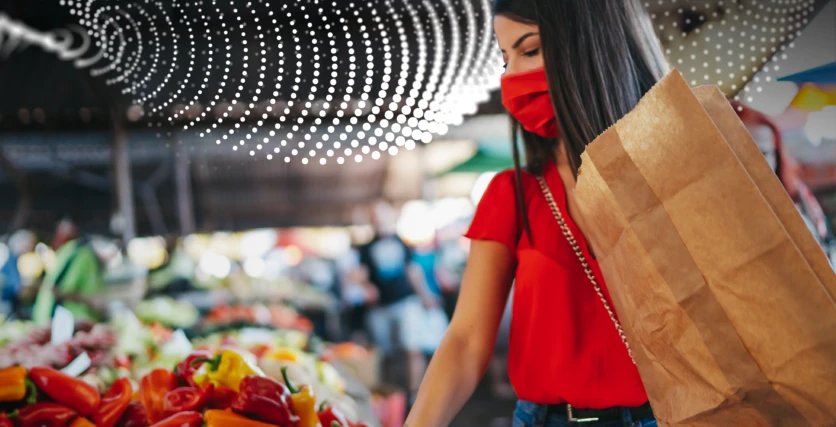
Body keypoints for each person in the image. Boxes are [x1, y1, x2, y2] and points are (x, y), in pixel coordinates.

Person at [406, 1, 667, 426]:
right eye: (504, 58)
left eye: (528, 51)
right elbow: (467, 340)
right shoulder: (514, 195)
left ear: (586, 48)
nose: (510, 78)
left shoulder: (680, 178)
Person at [356, 201, 445, 403]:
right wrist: (366, 287)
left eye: (382, 216)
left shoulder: (403, 243)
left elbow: (413, 272)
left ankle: (416, 395)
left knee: (412, 347)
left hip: (406, 302)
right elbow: (359, 274)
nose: (379, 221)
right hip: (380, 308)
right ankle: (389, 396)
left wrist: (425, 296)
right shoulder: (365, 249)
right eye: (375, 217)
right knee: (384, 353)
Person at [732, 101, 833, 250]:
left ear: (777, 151)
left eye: (764, 153)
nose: (759, 164)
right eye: (744, 155)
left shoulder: (797, 191)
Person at [32, 219, 107, 324]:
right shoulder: (67, 253)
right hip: (65, 321)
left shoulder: (78, 254)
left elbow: (65, 289)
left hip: (74, 320)